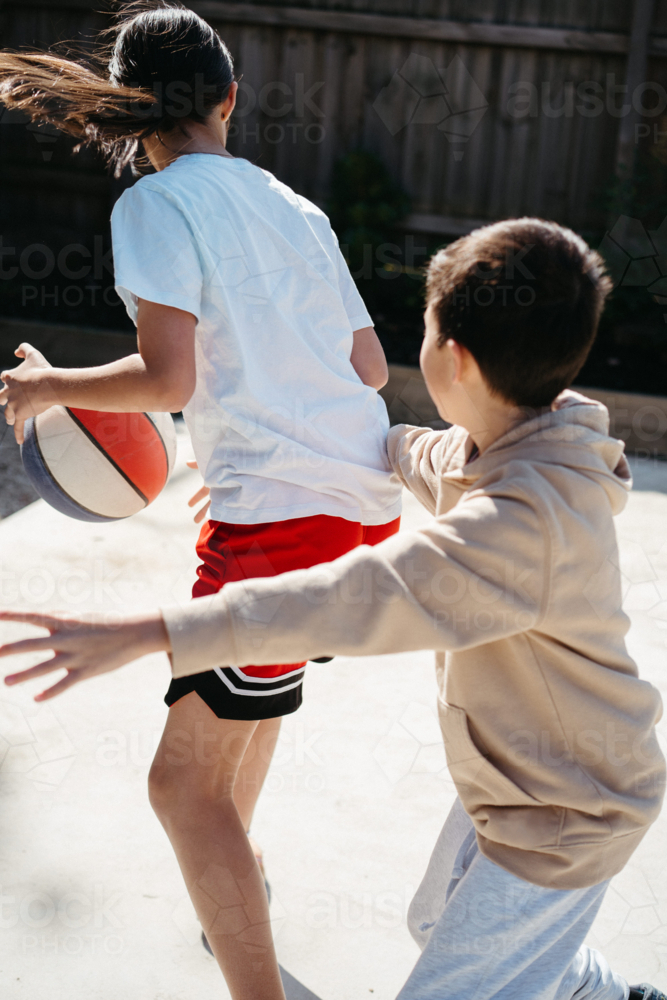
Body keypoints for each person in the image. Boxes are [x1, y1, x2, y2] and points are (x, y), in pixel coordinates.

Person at [2, 218, 665, 1000]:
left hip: (566, 811)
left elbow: (356, 598)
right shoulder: (521, 440)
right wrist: (294, 472)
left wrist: (155, 633)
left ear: (449, 356)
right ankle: (603, 993)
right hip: (520, 776)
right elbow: (410, 451)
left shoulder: (518, 525)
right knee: (436, 923)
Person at [0, 4, 401, 998]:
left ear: (129, 118)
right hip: (364, 510)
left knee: (178, 787)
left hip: (281, 522)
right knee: (246, 718)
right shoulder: (293, 205)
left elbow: (168, 380)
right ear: (231, 98)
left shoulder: (154, 202)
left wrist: (51, 388)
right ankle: (243, 890)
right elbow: (367, 363)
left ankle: (250, 969)